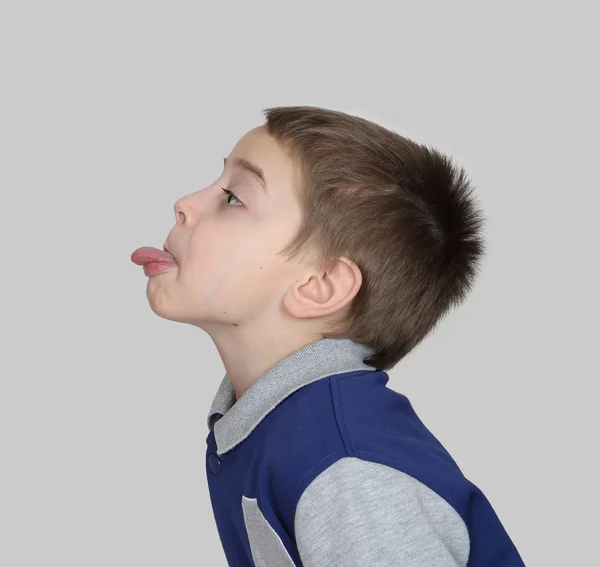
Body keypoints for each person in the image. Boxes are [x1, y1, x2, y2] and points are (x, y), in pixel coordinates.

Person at [131, 105, 527, 566]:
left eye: (234, 198)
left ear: (318, 286)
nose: (185, 202)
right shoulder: (274, 422)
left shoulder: (348, 471)